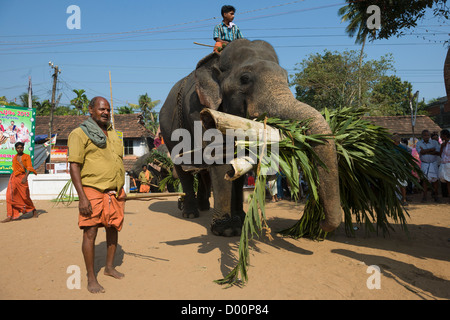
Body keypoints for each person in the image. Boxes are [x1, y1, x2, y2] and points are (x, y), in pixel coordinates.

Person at [68, 96, 126, 294]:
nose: (106, 113)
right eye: (102, 109)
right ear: (90, 110)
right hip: (92, 189)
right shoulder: (79, 134)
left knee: (113, 228)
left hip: (115, 191)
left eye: (108, 109)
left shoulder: (113, 134)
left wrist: (120, 189)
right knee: (90, 232)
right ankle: (91, 278)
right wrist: (82, 197)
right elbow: (74, 165)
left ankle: (109, 268)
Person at [2, 142, 38, 222]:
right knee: (9, 195)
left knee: (25, 196)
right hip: (14, 177)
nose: (19, 149)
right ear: (15, 149)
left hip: (22, 177)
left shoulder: (26, 156)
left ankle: (33, 209)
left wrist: (25, 177)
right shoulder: (14, 158)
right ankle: (10, 215)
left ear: (23, 148)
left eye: (21, 148)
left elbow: (29, 167)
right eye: (18, 148)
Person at [416, 129, 441, 202]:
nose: (426, 137)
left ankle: (436, 195)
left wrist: (425, 151)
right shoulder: (419, 143)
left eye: (428, 135)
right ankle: (424, 196)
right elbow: (421, 152)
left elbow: (437, 153)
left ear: (430, 136)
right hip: (424, 164)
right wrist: (431, 150)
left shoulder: (434, 142)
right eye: (425, 135)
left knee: (435, 180)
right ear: (422, 136)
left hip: (433, 163)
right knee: (425, 181)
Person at [392, 134, 409, 206]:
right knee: (396, 184)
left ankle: (403, 199)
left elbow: (406, 158)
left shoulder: (402, 148)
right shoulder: (391, 148)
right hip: (394, 167)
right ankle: (397, 199)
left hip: (400, 167)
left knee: (402, 184)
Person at [439, 129, 450, 203]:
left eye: (441, 135)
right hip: (444, 164)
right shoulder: (443, 144)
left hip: (449, 164)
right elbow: (441, 155)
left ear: (444, 135)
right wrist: (442, 147)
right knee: (447, 181)